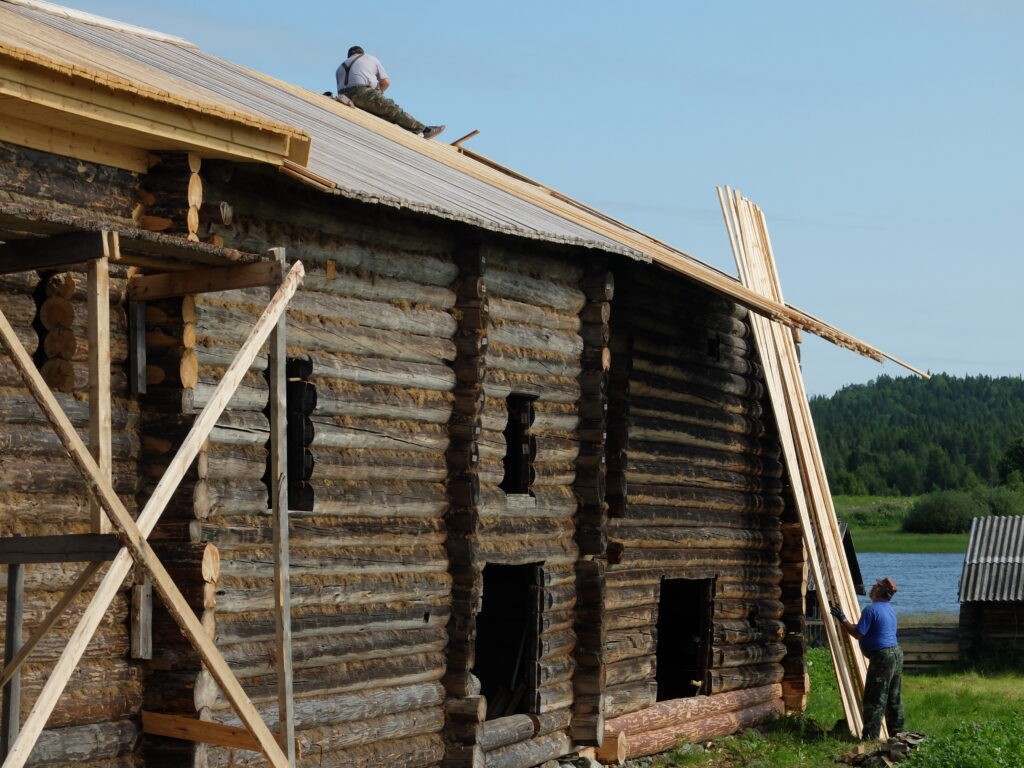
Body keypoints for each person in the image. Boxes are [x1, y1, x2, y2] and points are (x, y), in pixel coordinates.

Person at [830, 577, 905, 741]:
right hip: (896, 654)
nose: (872, 588)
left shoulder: (871, 610)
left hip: (883, 657)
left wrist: (842, 619)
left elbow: (858, 633)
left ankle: (870, 738)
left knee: (874, 698)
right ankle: (898, 735)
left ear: (879, 591)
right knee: (894, 696)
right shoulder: (889, 609)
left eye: (875, 586)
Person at [335, 46, 445, 139]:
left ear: (349, 56)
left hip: (344, 97)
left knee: (379, 112)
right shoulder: (369, 58)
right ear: (362, 53)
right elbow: (386, 83)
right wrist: (379, 94)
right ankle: (424, 130)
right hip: (363, 92)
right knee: (392, 110)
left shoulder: (340, 67)